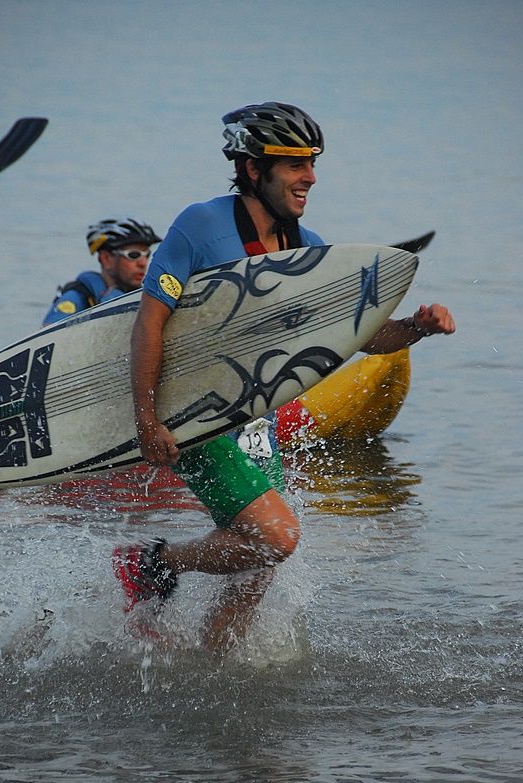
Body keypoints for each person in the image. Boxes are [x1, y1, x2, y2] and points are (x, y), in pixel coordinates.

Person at [112, 101, 456, 653]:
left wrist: (415, 328)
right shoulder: (200, 226)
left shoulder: (306, 248)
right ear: (254, 168)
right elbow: (149, 321)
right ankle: (153, 561)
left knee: (257, 570)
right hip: (198, 417)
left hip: (255, 422)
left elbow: (359, 334)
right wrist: (147, 419)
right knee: (277, 537)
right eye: (295, 164)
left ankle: (212, 665)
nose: (310, 177)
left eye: (312, 163)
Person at [42, 217, 161, 325]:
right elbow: (47, 341)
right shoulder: (76, 298)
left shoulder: (145, 297)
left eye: (147, 255)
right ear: (106, 259)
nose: (143, 263)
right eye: (134, 255)